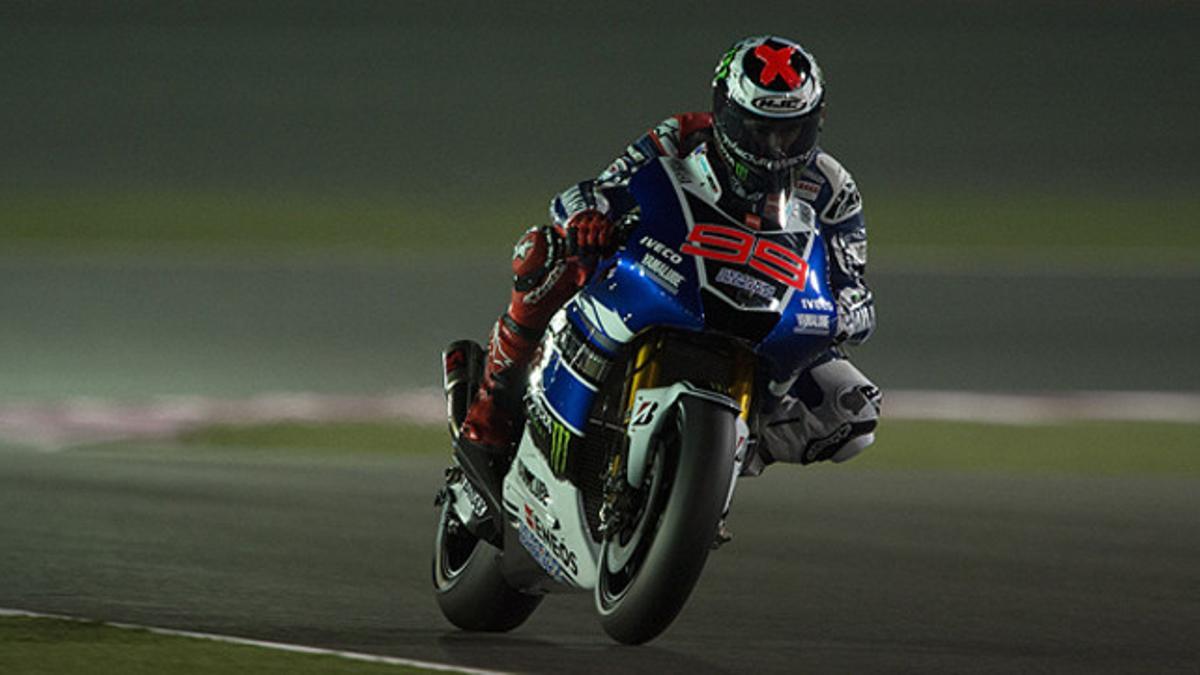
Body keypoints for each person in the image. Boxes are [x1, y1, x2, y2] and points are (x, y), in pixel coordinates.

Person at [457, 35, 881, 480]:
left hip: (768, 314)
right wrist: (589, 218)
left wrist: (849, 312)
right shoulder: (680, 136)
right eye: (757, 130)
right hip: (671, 275)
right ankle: (493, 403)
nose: (772, 147)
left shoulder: (833, 189)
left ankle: (725, 460)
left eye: (790, 130)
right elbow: (599, 191)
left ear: (816, 121)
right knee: (543, 252)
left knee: (853, 409)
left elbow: (851, 283)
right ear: (725, 113)